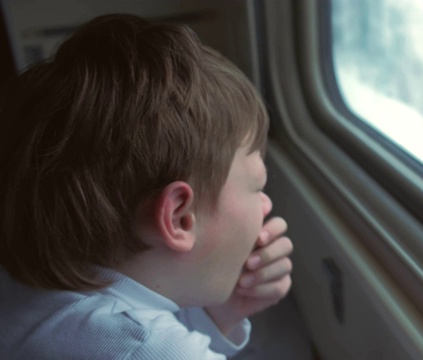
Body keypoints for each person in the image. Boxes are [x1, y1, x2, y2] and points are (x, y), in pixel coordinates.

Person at [0, 14, 293, 359]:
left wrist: (221, 315)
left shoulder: (33, 284)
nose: (265, 206)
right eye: (257, 186)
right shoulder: (145, 349)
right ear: (180, 217)